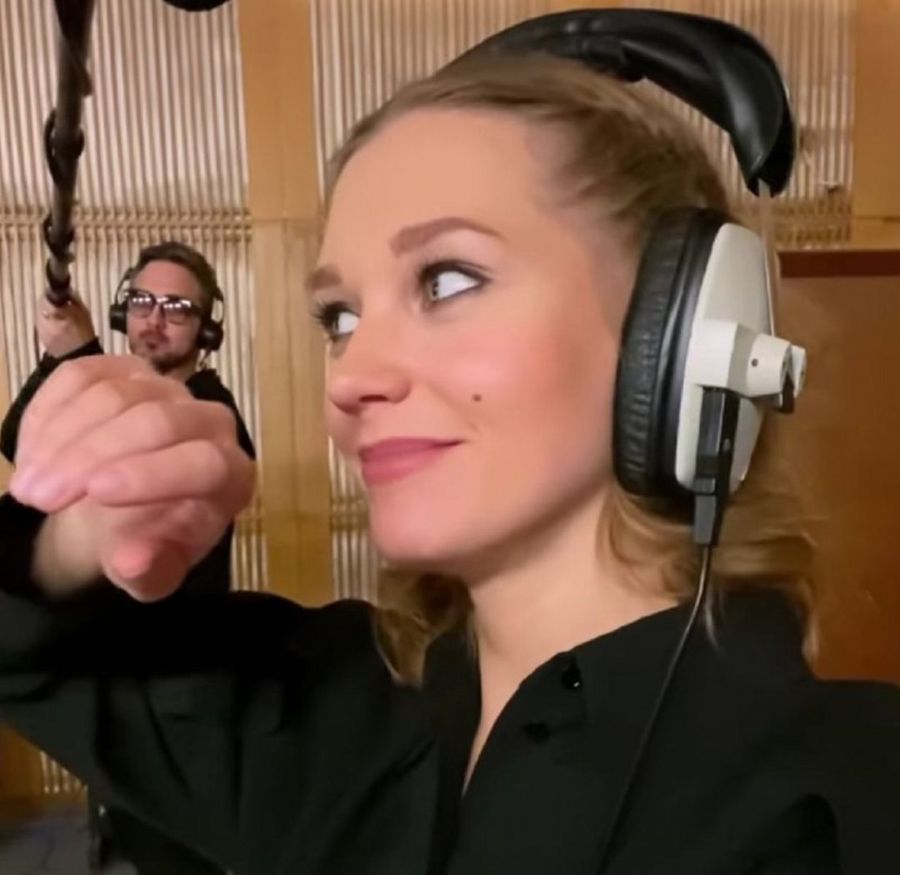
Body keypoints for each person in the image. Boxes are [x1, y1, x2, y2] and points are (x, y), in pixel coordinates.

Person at [0, 36, 898, 875]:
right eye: (340, 317)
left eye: (448, 279)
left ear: (681, 333)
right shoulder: (322, 705)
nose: (352, 377)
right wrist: (63, 547)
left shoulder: (844, 803)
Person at [0, 241, 255, 874]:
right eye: (142, 301)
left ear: (206, 329)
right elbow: (23, 445)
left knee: (175, 853)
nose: (155, 318)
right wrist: (66, 359)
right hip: (113, 661)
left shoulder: (212, 411)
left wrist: (80, 356)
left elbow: (131, 461)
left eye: (177, 307)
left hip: (176, 683)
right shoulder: (121, 387)